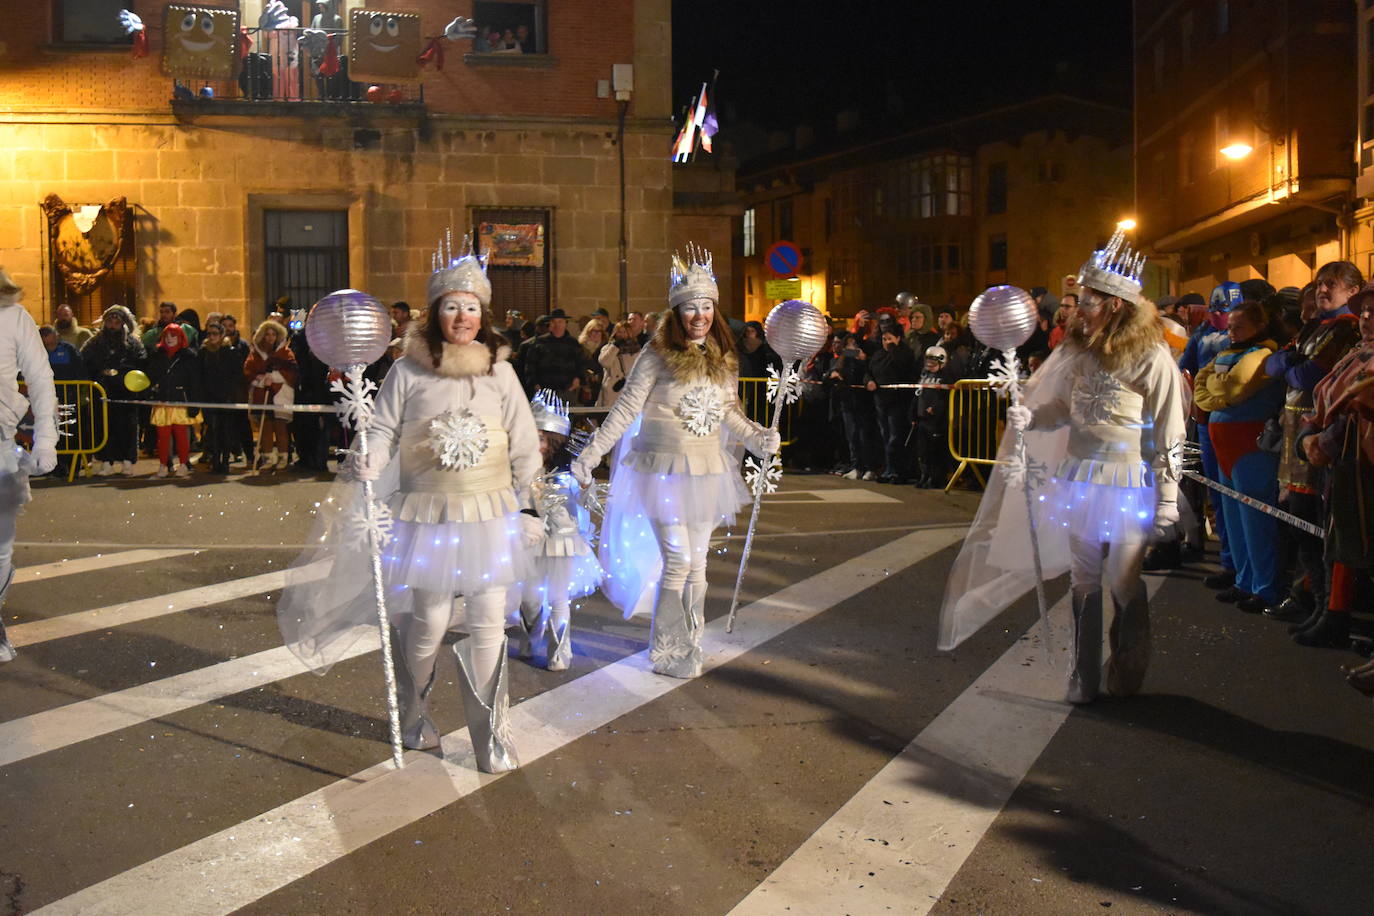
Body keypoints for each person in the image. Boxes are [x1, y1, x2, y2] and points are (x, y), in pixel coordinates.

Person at [940, 230, 1185, 705]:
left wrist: (1169, 499)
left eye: (1088, 300)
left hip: (1128, 482)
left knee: (1124, 579)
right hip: (1078, 479)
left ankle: (1127, 669)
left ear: (1115, 305)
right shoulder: (1079, 353)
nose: (1077, 309)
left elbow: (1171, 429)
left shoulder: (1151, 356)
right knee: (1083, 578)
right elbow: (1062, 409)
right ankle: (1082, 674)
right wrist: (1030, 415)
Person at [347, 243, 540, 770]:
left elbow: (524, 444)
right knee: (429, 620)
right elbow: (383, 427)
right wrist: (371, 453)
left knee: (488, 620)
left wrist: (528, 509)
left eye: (473, 307)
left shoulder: (501, 372)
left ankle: (491, 736)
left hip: (490, 513)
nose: (463, 317)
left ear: (485, 314)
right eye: (453, 306)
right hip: (428, 514)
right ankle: (413, 714)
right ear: (436, 313)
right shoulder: (408, 371)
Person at [570, 248, 779, 679]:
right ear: (676, 313)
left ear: (714, 312)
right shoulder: (655, 356)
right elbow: (625, 409)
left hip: (705, 471)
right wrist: (590, 455)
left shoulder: (723, 360)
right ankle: (666, 650)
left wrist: (760, 438)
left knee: (698, 562)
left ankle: (691, 641)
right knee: (679, 559)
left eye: (705, 307)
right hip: (662, 469)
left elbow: (730, 414)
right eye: (690, 308)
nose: (699, 316)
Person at [1268, 262, 1364, 645]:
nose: (1322, 290)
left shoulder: (1345, 328)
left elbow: (1308, 376)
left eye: (1332, 285)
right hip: (1300, 443)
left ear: (1352, 291)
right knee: (1302, 529)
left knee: (1321, 533)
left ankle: (1331, 612)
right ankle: (1316, 604)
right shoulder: (1319, 327)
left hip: (1329, 448)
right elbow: (1275, 363)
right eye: (1320, 283)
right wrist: (1290, 364)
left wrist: (1291, 365)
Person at [1299, 288, 1374, 689]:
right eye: (1363, 312)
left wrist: (1320, 442)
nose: (1365, 319)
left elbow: (1355, 408)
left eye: (1373, 313)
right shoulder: (1357, 353)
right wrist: (1308, 435)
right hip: (1349, 468)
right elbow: (1325, 397)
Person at [1192, 300, 1285, 612]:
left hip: (1249, 446)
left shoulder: (1263, 355)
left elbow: (1232, 390)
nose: (1231, 332)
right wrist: (1216, 394)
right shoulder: (1227, 353)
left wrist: (1214, 393)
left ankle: (1265, 588)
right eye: (1229, 326)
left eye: (1239, 326)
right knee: (1233, 520)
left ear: (1259, 327)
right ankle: (1245, 581)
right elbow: (1201, 391)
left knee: (1256, 520)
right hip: (1225, 447)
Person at [515, 390, 603, 670]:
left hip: (562, 540)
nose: (535, 444)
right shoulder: (520, 468)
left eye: (540, 438)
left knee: (558, 597)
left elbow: (587, 502)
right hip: (529, 539)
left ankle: (558, 652)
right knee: (528, 597)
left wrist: (586, 484)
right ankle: (529, 639)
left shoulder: (567, 472)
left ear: (553, 441)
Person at [0, 269, 57, 661]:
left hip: (0, 444)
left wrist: (46, 438)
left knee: (0, 545)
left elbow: (40, 378)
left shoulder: (14, 316)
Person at [1175, 281, 1242, 585]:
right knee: (1218, 496)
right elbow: (1185, 365)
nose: (1219, 316)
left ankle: (1245, 570)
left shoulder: (1249, 337)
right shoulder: (1202, 333)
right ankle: (1230, 564)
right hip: (1206, 420)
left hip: (1238, 421)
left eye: (1224, 311)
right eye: (1214, 310)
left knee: (1240, 498)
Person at [80, 305, 145, 476]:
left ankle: (127, 461)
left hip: (126, 392)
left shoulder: (133, 343)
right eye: (110, 321)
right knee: (103, 425)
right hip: (103, 390)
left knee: (127, 426)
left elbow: (141, 362)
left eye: (117, 321)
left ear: (123, 323)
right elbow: (84, 362)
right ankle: (106, 461)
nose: (113, 325)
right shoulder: (94, 342)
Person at [146, 323, 200, 478]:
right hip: (162, 400)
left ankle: (183, 464)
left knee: (181, 435)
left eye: (173, 335)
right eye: (167, 336)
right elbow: (150, 377)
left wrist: (194, 403)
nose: (170, 339)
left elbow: (194, 382)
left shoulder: (188, 356)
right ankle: (163, 465)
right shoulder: (157, 355)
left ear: (180, 337)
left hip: (180, 401)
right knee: (162, 436)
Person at [865, 324, 917, 483]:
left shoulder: (904, 353)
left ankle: (898, 471)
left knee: (896, 437)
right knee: (885, 436)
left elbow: (902, 367)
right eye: (884, 339)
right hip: (881, 402)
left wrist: (894, 349)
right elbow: (869, 371)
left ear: (898, 339)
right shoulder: (878, 355)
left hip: (898, 402)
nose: (886, 342)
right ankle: (889, 469)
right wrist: (869, 381)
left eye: (890, 339)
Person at [244, 318, 297, 470]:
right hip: (262, 393)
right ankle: (267, 457)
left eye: (273, 334)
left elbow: (292, 371)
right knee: (265, 427)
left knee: (281, 427)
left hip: (280, 393)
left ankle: (283, 457)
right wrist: (259, 380)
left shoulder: (285, 352)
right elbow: (249, 370)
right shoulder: (256, 353)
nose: (270, 337)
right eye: (267, 334)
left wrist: (274, 377)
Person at [198, 322, 242, 474]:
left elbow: (236, 373)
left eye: (215, 334)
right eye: (209, 334)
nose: (211, 337)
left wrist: (230, 391)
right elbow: (200, 374)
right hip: (209, 396)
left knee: (225, 429)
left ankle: (225, 461)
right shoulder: (203, 351)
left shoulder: (229, 351)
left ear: (222, 335)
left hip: (225, 396)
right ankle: (215, 459)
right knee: (213, 429)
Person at [521, 309, 587, 401]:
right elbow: (530, 366)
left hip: (567, 391)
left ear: (565, 323)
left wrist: (578, 379)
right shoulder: (539, 343)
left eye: (560, 322)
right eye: (554, 322)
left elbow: (582, 364)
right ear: (550, 324)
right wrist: (534, 384)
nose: (557, 325)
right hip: (543, 392)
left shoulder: (573, 344)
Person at [911, 344, 952, 488]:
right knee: (923, 450)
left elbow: (946, 398)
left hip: (936, 421)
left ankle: (936, 478)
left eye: (933, 359)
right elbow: (917, 395)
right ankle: (925, 475)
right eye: (928, 359)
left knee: (936, 451)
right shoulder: (924, 375)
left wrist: (935, 408)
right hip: (922, 418)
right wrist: (913, 414)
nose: (930, 362)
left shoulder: (945, 377)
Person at [597, 319, 641, 408]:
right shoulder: (608, 348)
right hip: (611, 390)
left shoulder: (636, 350)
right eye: (619, 332)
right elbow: (604, 362)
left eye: (624, 332)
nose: (621, 334)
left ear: (629, 333)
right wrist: (615, 347)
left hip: (628, 390)